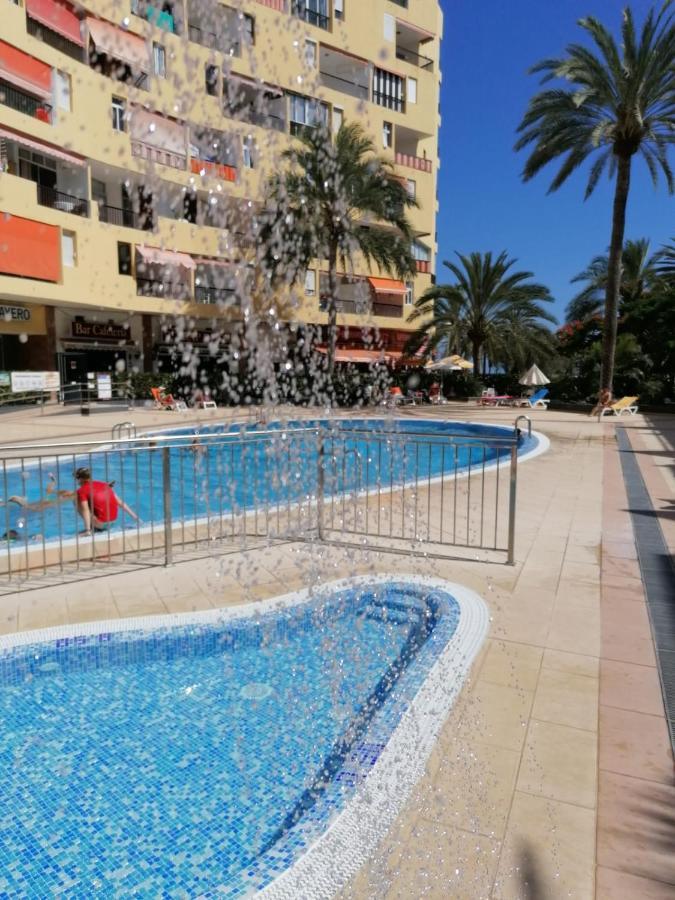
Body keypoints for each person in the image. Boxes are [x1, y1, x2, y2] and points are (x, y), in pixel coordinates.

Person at [74, 467, 139, 534]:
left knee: (76, 500)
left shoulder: (81, 491)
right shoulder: (104, 484)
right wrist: (136, 518)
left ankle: (89, 529)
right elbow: (120, 502)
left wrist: (87, 530)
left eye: (76, 479)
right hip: (113, 521)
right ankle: (95, 528)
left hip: (100, 524)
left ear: (80, 479)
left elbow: (85, 510)